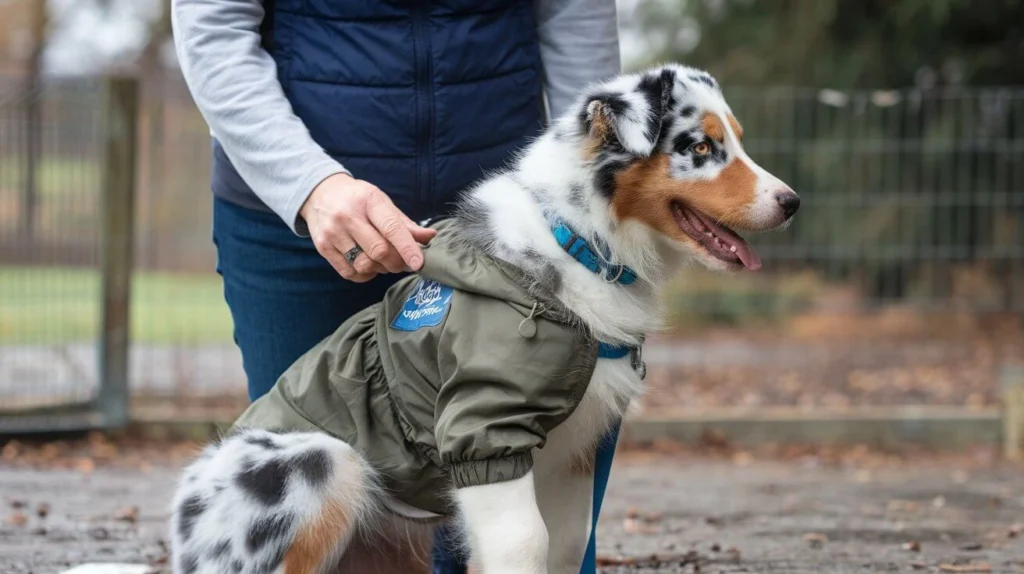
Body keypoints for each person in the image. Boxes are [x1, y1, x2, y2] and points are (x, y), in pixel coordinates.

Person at [171, 1, 621, 572]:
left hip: (507, 221)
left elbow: (572, 14)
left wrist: (585, 194)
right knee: (312, 502)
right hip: (295, 210)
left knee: (523, 533)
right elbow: (215, 21)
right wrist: (311, 186)